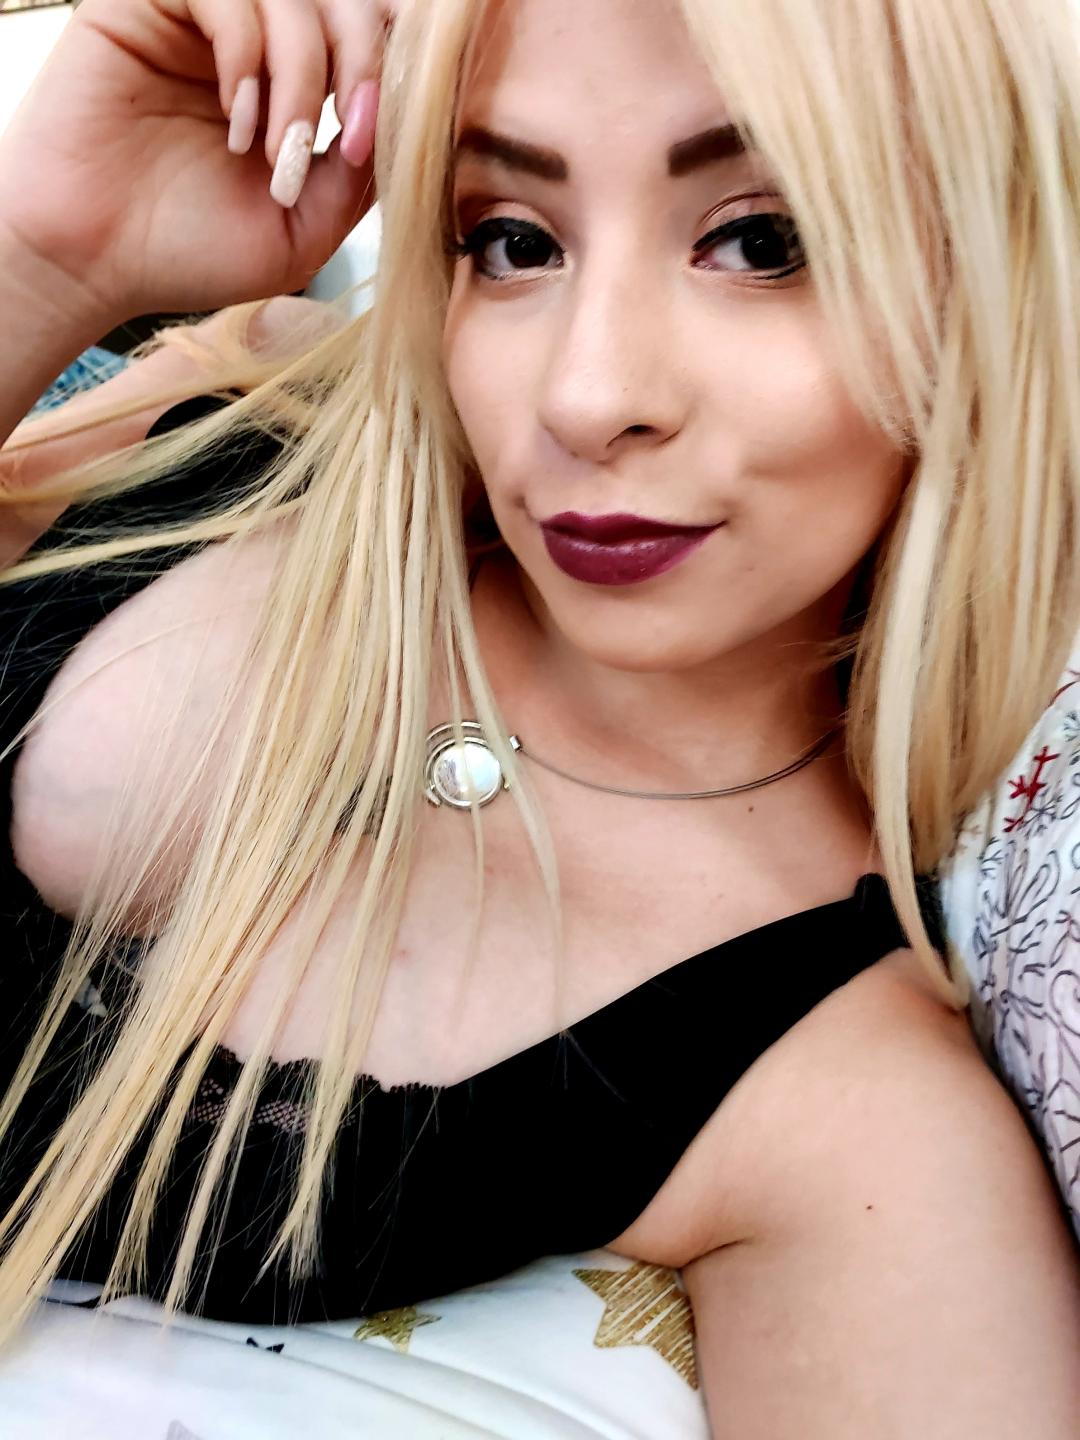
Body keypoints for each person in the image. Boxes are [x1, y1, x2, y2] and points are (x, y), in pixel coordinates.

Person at [1, 0, 1079, 1432]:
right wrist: (46, 263)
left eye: (764, 240)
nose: (587, 396)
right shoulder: (262, 401)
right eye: (513, 240)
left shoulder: (858, 1120)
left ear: (997, 279)